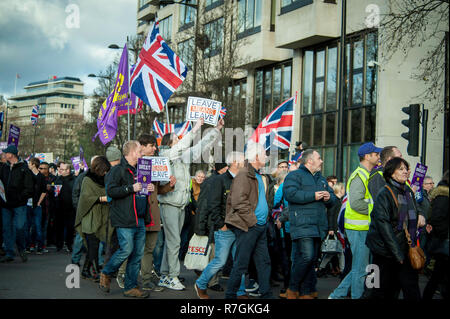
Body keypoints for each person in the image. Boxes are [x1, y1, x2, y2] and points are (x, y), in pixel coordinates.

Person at [157, 117, 224, 291]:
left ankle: (165, 273)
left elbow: (198, 148)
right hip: (169, 203)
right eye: (176, 139)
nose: (180, 141)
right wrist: (194, 129)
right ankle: (171, 276)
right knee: (174, 241)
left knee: (172, 241)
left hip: (180, 204)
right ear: (168, 143)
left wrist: (215, 130)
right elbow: (181, 147)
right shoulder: (166, 154)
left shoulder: (180, 157)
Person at [116, 134, 176, 292]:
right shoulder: (132, 165)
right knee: (130, 247)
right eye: (152, 145)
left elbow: (158, 190)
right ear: (141, 147)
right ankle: (122, 274)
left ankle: (147, 279)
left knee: (149, 248)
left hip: (152, 213)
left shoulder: (155, 164)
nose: (155, 148)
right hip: (135, 212)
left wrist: (170, 185)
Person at [364, 157, 423, 300]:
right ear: (391, 173)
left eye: (406, 169)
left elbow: (415, 210)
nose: (406, 172)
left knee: (410, 288)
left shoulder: (407, 191)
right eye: (401, 169)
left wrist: (421, 215)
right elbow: (383, 225)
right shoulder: (384, 194)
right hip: (384, 251)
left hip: (405, 248)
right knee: (377, 289)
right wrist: (397, 254)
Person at [329, 142, 381, 299]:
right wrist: (379, 211)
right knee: (361, 268)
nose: (379, 156)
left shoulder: (366, 174)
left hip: (362, 228)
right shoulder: (360, 175)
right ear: (367, 156)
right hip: (358, 228)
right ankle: (354, 296)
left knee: (361, 267)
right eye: (376, 154)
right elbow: (358, 204)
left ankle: (336, 295)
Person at [283, 149, 336, 299]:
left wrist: (328, 198)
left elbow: (333, 199)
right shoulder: (294, 175)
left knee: (312, 259)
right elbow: (290, 195)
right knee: (307, 256)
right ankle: (292, 288)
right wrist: (313, 196)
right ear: (310, 161)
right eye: (319, 158)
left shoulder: (322, 179)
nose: (322, 161)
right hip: (302, 223)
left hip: (319, 224)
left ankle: (306, 291)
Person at [194, 152, 246, 299]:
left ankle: (240, 291)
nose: (245, 163)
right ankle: (201, 284)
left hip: (241, 227)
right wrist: (221, 225)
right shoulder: (219, 180)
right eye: (243, 161)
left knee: (239, 261)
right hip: (225, 228)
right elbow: (213, 205)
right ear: (235, 162)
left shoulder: (243, 180)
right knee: (220, 261)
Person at [224, 143, 273, 299]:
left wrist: (262, 220)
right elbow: (238, 201)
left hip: (259, 226)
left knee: (264, 262)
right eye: (264, 154)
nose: (267, 157)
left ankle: (266, 295)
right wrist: (253, 221)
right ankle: (230, 296)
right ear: (257, 157)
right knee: (241, 264)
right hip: (249, 226)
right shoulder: (244, 174)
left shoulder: (258, 175)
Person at [75, 156, 112, 282]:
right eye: (104, 170)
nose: (106, 173)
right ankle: (96, 272)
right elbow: (85, 198)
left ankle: (85, 270)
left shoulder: (104, 179)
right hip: (89, 217)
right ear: (98, 168)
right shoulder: (87, 179)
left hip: (101, 217)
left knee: (93, 246)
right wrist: (102, 198)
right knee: (93, 246)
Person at [0, 145, 34, 263]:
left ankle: (21, 248)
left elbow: (29, 188)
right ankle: (10, 253)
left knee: (20, 227)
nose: (3, 154)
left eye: (5, 152)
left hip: (19, 204)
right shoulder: (3, 167)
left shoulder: (24, 169)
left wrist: (20, 197)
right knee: (6, 228)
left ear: (11, 154)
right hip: (5, 204)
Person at [423, 171, 448, 299]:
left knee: (439, 275)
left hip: (443, 241)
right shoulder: (443, 196)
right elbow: (437, 219)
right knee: (438, 275)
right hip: (444, 242)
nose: (431, 185)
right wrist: (444, 234)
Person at [318, 182, 346, 277]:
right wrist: (331, 228)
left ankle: (321, 268)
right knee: (339, 250)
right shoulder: (336, 201)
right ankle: (342, 270)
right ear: (340, 189)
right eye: (343, 189)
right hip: (334, 229)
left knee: (332, 251)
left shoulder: (338, 201)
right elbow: (331, 215)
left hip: (335, 228)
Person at [27, 157, 47, 254]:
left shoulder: (41, 177)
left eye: (29, 163)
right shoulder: (27, 175)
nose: (28, 165)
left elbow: (44, 191)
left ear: (33, 164)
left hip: (37, 206)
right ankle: (28, 246)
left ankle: (40, 246)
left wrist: (39, 202)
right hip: (27, 205)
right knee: (27, 226)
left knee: (38, 227)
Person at [54, 162, 76, 252]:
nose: (61, 171)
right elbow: (55, 194)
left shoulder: (74, 179)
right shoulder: (58, 180)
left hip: (70, 208)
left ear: (68, 170)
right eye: (60, 169)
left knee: (70, 227)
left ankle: (69, 244)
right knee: (59, 227)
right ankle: (59, 245)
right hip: (59, 207)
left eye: (63, 169)